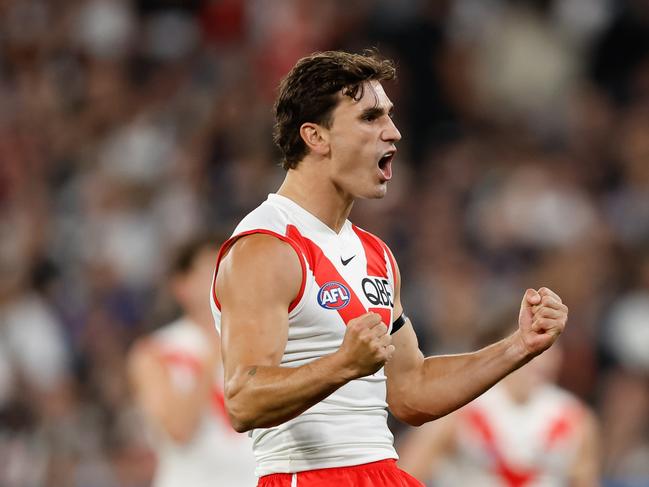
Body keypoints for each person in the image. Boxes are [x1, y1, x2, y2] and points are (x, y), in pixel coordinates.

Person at [210, 50, 569, 487]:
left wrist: (518, 347)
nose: (394, 132)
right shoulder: (265, 248)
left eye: (390, 116)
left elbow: (412, 392)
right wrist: (343, 363)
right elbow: (243, 400)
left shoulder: (375, 253)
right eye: (370, 118)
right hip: (306, 476)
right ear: (315, 137)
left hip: (382, 471)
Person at [397, 319, 600, 487]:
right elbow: (407, 472)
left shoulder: (576, 418)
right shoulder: (459, 407)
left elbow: (584, 480)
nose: (543, 357)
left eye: (550, 345)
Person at [129, 236, 256, 487]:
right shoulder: (155, 352)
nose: (223, 279)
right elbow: (179, 430)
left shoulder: (260, 339)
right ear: (181, 286)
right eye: (211, 270)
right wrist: (212, 353)